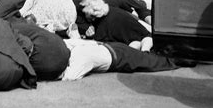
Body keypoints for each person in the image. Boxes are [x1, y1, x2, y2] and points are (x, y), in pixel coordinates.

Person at [61, 39, 194, 81]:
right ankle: (176, 56)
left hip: (119, 58)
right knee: (146, 58)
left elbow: (70, 76)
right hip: (113, 47)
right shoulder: (74, 48)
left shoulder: (80, 58)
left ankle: (180, 60)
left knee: (151, 63)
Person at [80, 0, 152, 51]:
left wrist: (89, 36)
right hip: (139, 33)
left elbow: (98, 42)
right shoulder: (113, 10)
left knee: (133, 46)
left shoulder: (102, 26)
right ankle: (145, 49)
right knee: (143, 39)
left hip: (127, 43)